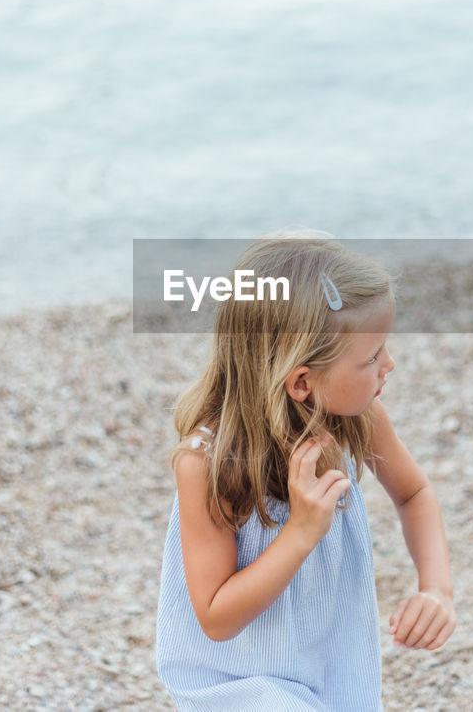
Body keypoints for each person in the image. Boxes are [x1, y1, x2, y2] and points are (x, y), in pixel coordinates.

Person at [155, 234, 456, 710]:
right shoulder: (207, 462)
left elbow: (414, 493)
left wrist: (437, 590)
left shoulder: (358, 420)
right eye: (372, 356)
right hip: (235, 677)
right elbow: (215, 617)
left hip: (327, 663)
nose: (390, 365)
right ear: (301, 381)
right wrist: (300, 532)